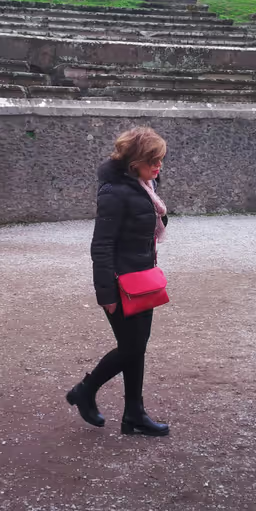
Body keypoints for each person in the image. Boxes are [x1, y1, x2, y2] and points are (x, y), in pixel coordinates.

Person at [67, 127, 170, 436]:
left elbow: (150, 227)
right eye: (152, 160)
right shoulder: (114, 191)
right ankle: (85, 390)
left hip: (144, 277)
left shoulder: (144, 186)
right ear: (134, 161)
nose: (158, 166)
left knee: (136, 347)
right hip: (121, 282)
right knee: (131, 347)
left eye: (160, 160)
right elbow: (101, 245)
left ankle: (133, 414)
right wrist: (105, 292)